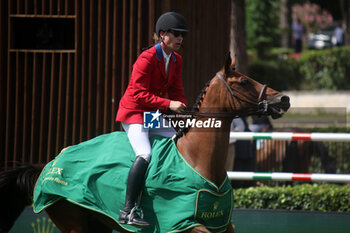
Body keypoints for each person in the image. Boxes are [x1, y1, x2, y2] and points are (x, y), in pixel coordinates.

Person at [115, 12, 188, 227]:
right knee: (144, 153)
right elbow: (138, 94)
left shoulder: (176, 60)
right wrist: (168, 105)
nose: (180, 38)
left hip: (152, 115)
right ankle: (127, 211)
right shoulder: (146, 58)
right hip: (134, 113)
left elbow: (177, 90)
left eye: (182, 35)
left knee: (177, 141)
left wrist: (183, 108)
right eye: (176, 34)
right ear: (162, 35)